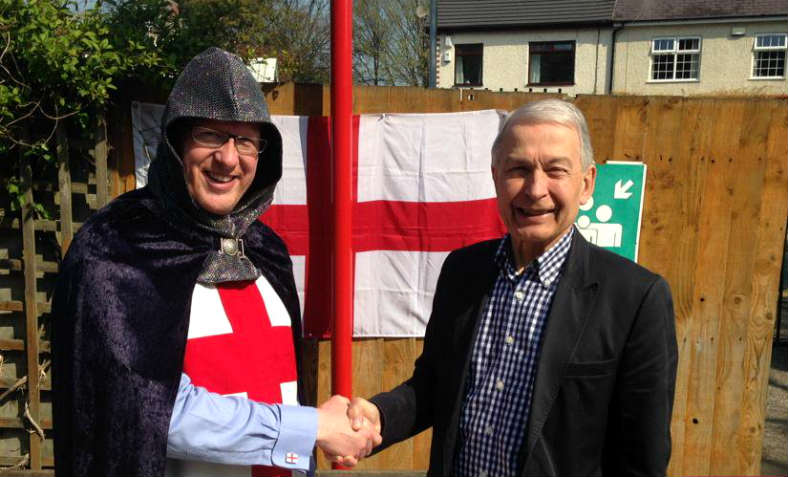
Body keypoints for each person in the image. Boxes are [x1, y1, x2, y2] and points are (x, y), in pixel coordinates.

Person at [52, 47, 379, 476]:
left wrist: (336, 428)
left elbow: (284, 392)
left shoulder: (266, 250)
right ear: (176, 143)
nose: (228, 158)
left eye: (245, 140)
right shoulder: (117, 246)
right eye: (210, 134)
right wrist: (311, 426)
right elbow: (145, 411)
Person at [345, 99, 678, 476]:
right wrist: (380, 417)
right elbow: (436, 385)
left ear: (586, 184)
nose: (535, 189)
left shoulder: (636, 299)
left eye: (555, 170)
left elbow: (642, 458)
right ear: (496, 177)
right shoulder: (463, 271)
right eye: (518, 169)